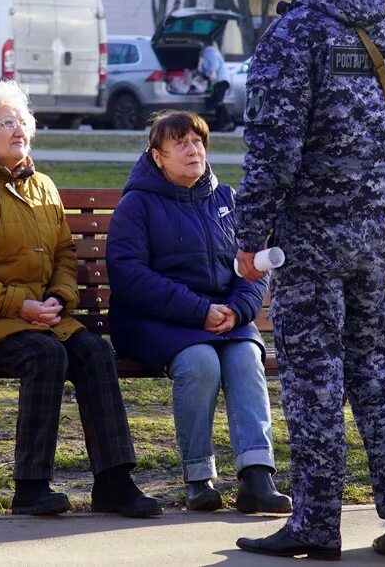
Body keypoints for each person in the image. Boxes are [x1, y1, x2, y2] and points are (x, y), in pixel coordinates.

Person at [232, 0, 385, 560]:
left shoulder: (294, 35)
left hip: (306, 237)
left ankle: (316, 521)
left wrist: (249, 237)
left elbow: (273, 148)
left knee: (314, 375)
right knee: (375, 371)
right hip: (371, 234)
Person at [0, 80, 161, 519]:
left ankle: (114, 483)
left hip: (36, 316)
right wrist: (19, 305)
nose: (20, 130)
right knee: (46, 355)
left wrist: (58, 297)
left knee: (93, 352)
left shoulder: (43, 187)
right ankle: (31, 487)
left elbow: (64, 255)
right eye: (7, 122)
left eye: (23, 122)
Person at [106, 111, 291, 514]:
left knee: (246, 356)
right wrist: (199, 311)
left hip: (224, 317)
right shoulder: (137, 204)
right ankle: (198, 478)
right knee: (200, 362)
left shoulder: (227, 199)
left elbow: (253, 264)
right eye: (181, 144)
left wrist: (240, 310)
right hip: (154, 319)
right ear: (158, 157)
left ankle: (257, 477)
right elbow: (129, 275)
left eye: (198, 141)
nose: (193, 150)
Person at [198, 40, 235, 131]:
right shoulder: (209, 52)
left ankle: (227, 123)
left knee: (218, 102)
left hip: (220, 81)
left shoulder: (209, 51)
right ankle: (225, 124)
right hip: (221, 81)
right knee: (217, 102)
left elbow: (214, 65)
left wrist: (212, 73)